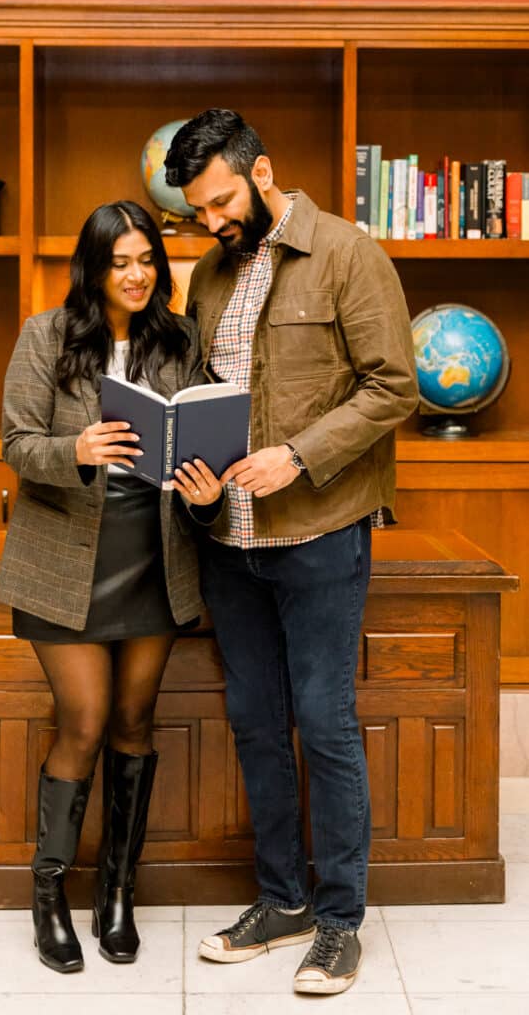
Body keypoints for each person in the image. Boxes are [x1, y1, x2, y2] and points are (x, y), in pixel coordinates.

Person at [164, 109, 418, 995]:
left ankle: (339, 920)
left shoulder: (348, 254)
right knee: (255, 725)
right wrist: (193, 471)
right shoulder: (206, 271)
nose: (213, 222)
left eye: (223, 201)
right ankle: (282, 902)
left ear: (261, 171)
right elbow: (207, 394)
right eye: (198, 210)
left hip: (318, 534)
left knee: (324, 723)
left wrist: (298, 456)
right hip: (227, 540)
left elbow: (395, 386)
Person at [0, 200, 222, 974]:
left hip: (156, 552)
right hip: (66, 558)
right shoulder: (45, 337)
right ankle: (50, 893)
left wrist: (206, 485)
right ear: (93, 268)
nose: (135, 275)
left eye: (146, 260)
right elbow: (17, 442)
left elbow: (208, 430)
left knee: (133, 719)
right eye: (119, 261)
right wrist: (79, 447)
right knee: (85, 721)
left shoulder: (180, 339)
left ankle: (118, 893)